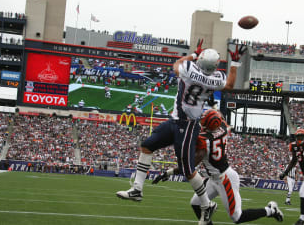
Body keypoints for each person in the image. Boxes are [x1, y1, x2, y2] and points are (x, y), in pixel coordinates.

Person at [116, 40, 246, 225]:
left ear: (200, 60)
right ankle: (137, 189)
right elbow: (230, 84)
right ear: (215, 65)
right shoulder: (215, 78)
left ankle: (206, 205)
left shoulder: (189, 68)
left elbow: (176, 65)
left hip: (187, 125)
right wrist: (235, 63)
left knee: (187, 169)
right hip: (176, 120)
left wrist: (193, 54)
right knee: (146, 146)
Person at [152, 109, 284, 224]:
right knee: (196, 203)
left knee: (237, 217)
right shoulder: (223, 127)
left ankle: (270, 210)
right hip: (213, 178)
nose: (201, 125)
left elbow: (189, 166)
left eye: (204, 123)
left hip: (225, 179)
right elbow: (218, 118)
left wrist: (168, 173)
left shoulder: (204, 141)